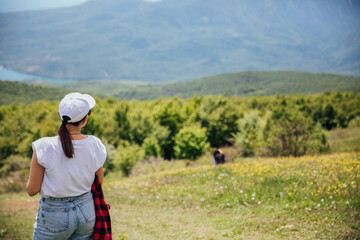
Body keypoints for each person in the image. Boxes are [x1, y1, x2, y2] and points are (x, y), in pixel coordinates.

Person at [26, 92, 107, 240]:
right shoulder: (95, 144)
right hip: (86, 211)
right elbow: (99, 181)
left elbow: (32, 190)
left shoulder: (44, 146)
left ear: (59, 115)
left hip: (54, 215)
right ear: (85, 119)